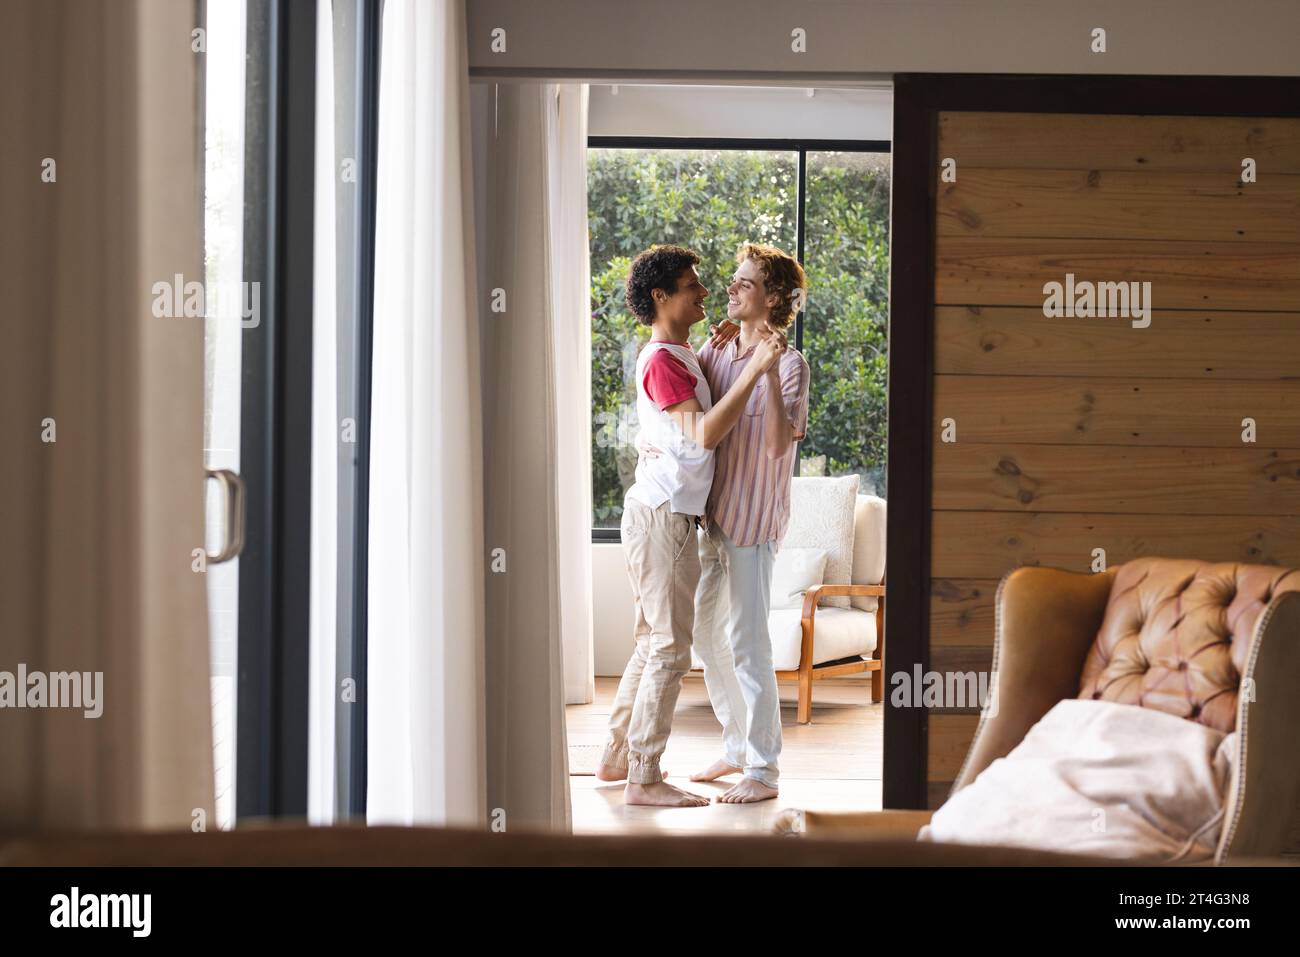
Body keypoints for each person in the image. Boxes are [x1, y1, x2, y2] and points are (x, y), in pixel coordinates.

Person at [595, 244, 785, 807]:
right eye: (692, 285)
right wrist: (753, 369)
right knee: (670, 651)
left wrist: (721, 350)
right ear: (661, 297)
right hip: (662, 516)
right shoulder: (660, 359)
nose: (706, 293)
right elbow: (702, 435)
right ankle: (644, 776)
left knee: (652, 642)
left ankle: (614, 756)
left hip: (666, 512)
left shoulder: (681, 354)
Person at [688, 243, 811, 804]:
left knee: (747, 644)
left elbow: (773, 448)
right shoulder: (717, 352)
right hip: (711, 519)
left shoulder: (790, 365)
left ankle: (763, 771)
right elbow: (702, 424)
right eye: (733, 281)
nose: (732, 289)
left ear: (775, 297)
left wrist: (763, 370)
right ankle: (737, 746)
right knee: (707, 640)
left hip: (753, 523)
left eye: (745, 283)